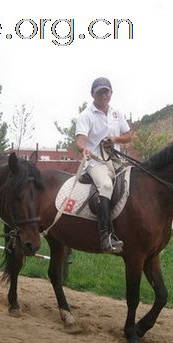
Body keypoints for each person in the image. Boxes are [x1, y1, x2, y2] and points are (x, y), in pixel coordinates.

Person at [75, 77, 133, 254]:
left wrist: (115, 139)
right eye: (100, 92)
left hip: (116, 160)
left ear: (111, 93)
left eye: (106, 91)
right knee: (106, 185)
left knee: (135, 181)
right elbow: (81, 139)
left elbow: (129, 135)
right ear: (93, 94)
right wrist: (84, 149)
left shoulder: (117, 113)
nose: (103, 95)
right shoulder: (86, 115)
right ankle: (105, 236)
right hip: (96, 161)